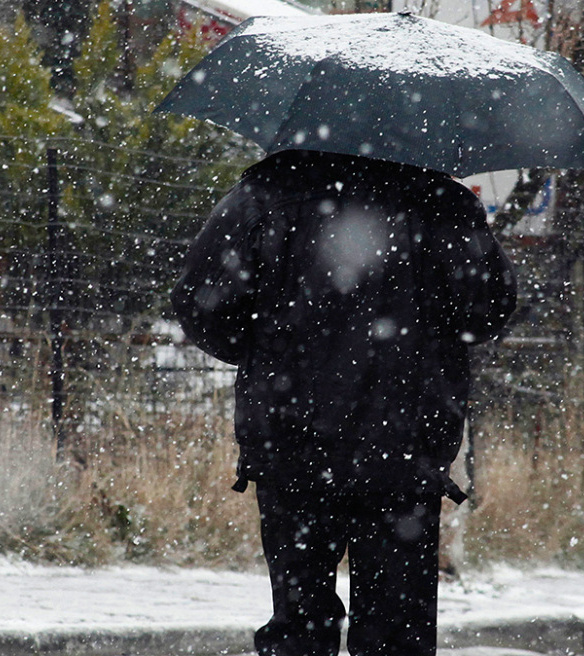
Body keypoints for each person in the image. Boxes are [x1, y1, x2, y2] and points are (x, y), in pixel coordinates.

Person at [171, 149, 517, 656]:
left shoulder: (267, 192)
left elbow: (203, 304)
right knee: (396, 632)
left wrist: (270, 356)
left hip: (292, 438)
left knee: (299, 625)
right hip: (404, 445)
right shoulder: (442, 202)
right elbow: (488, 312)